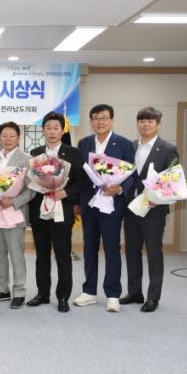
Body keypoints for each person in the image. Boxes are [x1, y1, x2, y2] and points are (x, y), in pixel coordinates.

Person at [73, 104, 135, 312]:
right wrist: (76, 203)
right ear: (91, 121)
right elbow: (79, 175)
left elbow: (132, 174)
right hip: (89, 204)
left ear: (112, 120)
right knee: (89, 247)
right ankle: (89, 291)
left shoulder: (124, 144)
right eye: (96, 118)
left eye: (104, 118)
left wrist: (119, 189)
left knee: (112, 248)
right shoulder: (84, 143)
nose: (100, 122)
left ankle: (113, 294)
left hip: (112, 204)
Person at [121, 107, 179, 312]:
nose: (146, 124)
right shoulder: (130, 146)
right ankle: (134, 292)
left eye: (150, 121)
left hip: (154, 210)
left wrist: (159, 200)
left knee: (154, 253)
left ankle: (153, 297)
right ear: (137, 123)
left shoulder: (168, 149)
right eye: (142, 121)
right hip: (131, 208)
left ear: (158, 125)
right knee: (131, 252)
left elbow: (173, 179)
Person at [27, 112, 85, 313]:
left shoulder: (73, 153)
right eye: (48, 128)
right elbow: (31, 180)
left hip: (62, 210)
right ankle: (42, 294)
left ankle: (62, 296)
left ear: (62, 130)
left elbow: (81, 182)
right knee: (41, 255)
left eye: (56, 128)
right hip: (40, 212)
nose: (52, 131)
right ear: (43, 130)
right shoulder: (35, 152)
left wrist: (65, 192)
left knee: (62, 255)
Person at [0, 122, 35, 309]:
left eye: (11, 136)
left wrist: (13, 201)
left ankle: (19, 292)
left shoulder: (26, 159)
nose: (7, 139)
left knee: (16, 255)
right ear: (0, 138)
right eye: (4, 136)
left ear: (18, 138)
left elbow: (31, 189)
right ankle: (2, 289)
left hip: (14, 213)